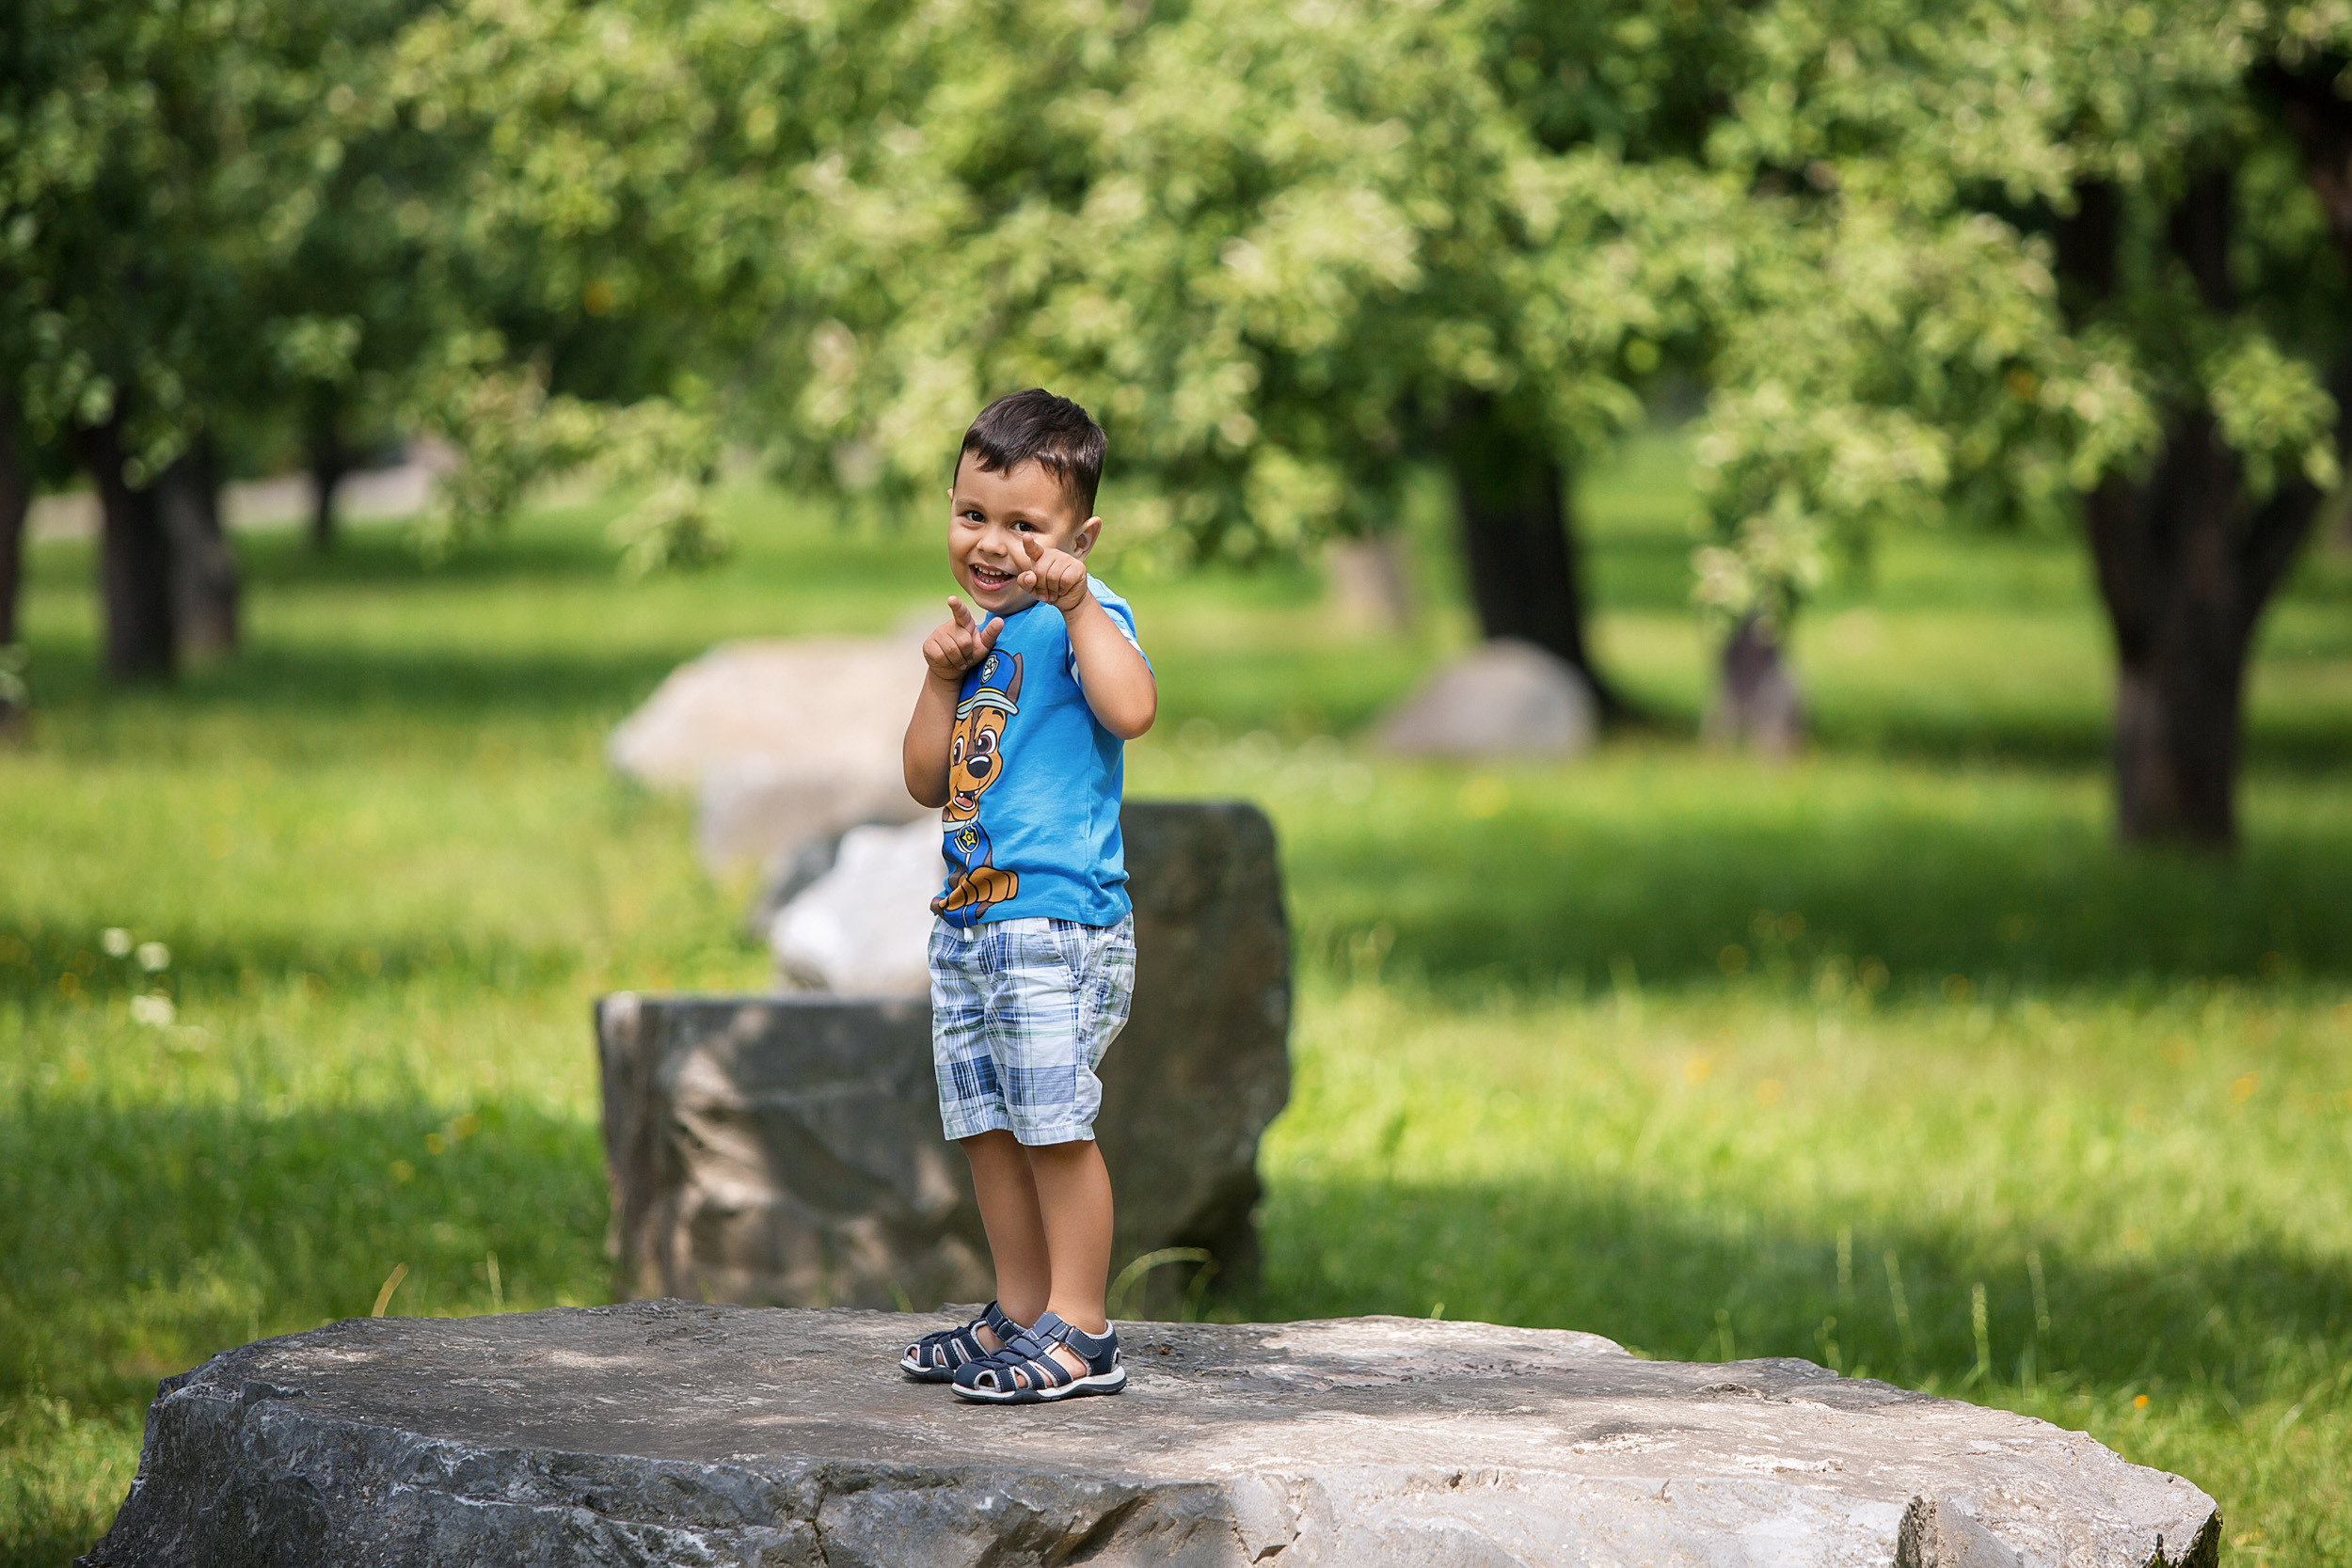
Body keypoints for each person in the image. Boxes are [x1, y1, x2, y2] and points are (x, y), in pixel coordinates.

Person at [896, 388, 1156, 1404]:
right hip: (967, 921)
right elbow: (926, 781)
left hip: (1056, 920)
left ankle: (1083, 1328)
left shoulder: (1084, 618)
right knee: (988, 1125)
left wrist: (1081, 602)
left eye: (1024, 527)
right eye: (972, 516)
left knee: (1054, 1122)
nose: (994, 545)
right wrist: (935, 680)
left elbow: (1131, 710)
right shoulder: (973, 640)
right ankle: (1019, 1308)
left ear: (1078, 537)